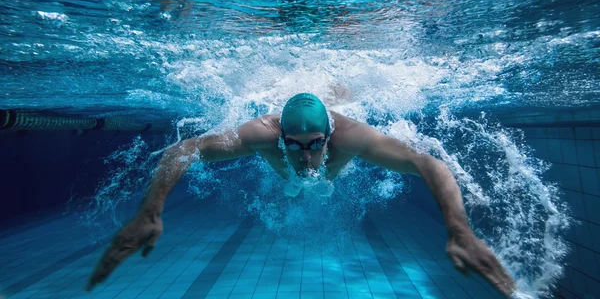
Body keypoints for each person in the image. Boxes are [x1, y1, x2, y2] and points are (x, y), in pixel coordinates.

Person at [86, 93, 515, 297]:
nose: (307, 155)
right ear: (281, 135)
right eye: (295, 144)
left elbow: (429, 163)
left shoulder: (352, 138)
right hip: (279, 164)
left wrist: (459, 229)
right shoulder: (261, 135)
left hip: (337, 155)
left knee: (318, 183)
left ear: (330, 134)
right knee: (294, 184)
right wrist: (150, 211)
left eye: (316, 143)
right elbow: (187, 148)